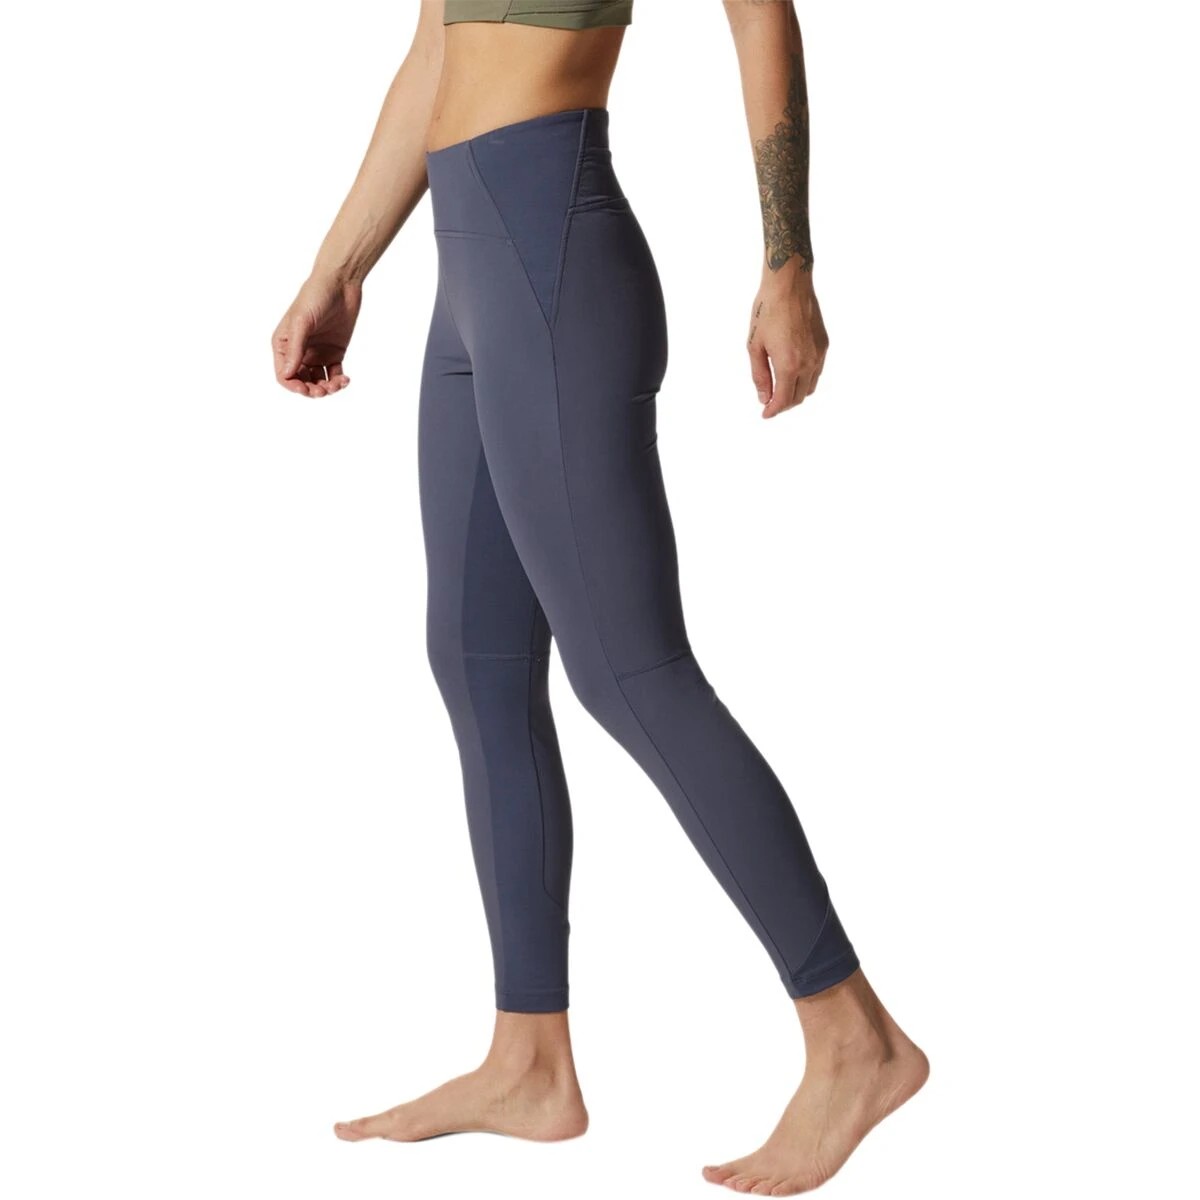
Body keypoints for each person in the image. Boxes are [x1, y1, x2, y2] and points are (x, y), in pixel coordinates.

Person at [270, 1, 928, 1192]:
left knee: (631, 671)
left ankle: (856, 1036)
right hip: (469, 270)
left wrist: (787, 263)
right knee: (474, 660)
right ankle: (530, 1060)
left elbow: (760, 15)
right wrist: (338, 268)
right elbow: (438, 48)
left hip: (554, 261)